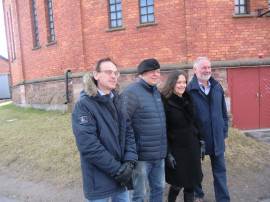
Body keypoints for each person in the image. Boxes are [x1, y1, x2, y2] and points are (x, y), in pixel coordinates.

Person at [72, 58, 138, 202]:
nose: (113, 76)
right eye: (108, 72)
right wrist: (117, 170)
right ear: (96, 75)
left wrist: (130, 161)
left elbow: (128, 133)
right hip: (99, 179)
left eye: (116, 73)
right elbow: (88, 145)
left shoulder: (118, 101)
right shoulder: (84, 105)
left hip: (122, 177)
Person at [121, 58, 167, 202]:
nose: (156, 75)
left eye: (158, 72)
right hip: (141, 156)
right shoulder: (131, 93)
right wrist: (131, 152)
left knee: (158, 188)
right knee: (139, 194)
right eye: (152, 72)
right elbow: (123, 125)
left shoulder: (156, 92)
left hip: (159, 155)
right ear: (141, 73)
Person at [187, 57, 230, 202]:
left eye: (209, 67)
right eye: (203, 68)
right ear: (195, 69)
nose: (207, 70)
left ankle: (223, 199)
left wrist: (224, 132)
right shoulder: (189, 91)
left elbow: (224, 113)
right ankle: (198, 195)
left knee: (220, 172)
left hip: (217, 137)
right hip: (198, 139)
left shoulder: (217, 87)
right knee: (196, 170)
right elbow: (187, 118)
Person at [161, 71, 205, 202]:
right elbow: (164, 130)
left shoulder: (188, 98)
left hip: (192, 146)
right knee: (178, 182)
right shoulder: (166, 101)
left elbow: (196, 121)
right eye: (179, 82)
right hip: (177, 149)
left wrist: (202, 140)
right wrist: (168, 153)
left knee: (192, 182)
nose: (182, 85)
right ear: (172, 84)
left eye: (184, 82)